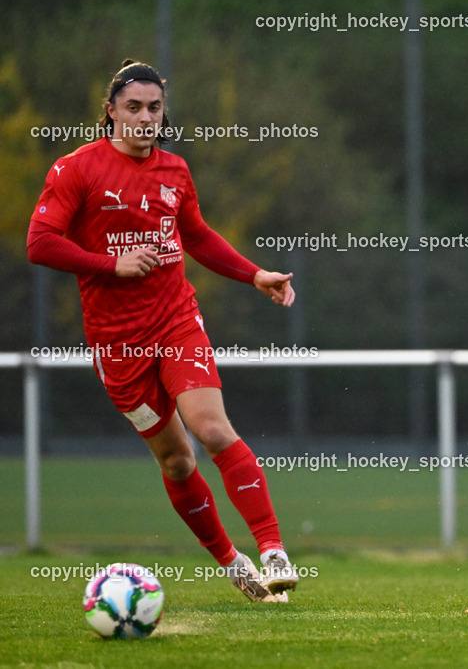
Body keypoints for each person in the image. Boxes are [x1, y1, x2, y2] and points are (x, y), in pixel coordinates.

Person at [27, 59, 299, 602]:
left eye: (154, 108)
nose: (145, 118)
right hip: (117, 342)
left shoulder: (175, 170)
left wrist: (254, 274)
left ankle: (273, 550)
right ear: (111, 112)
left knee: (213, 429)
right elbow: (39, 242)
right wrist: (111, 264)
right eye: (133, 108)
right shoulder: (77, 169)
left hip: (176, 319)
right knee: (176, 460)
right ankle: (232, 561)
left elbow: (196, 236)